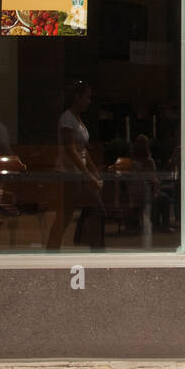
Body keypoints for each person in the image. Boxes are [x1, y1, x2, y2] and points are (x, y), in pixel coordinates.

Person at [49, 81, 104, 250]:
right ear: (77, 97)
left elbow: (83, 150)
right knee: (65, 216)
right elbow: (71, 150)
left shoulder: (77, 120)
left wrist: (94, 171)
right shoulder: (67, 119)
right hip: (68, 174)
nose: (89, 101)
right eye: (87, 97)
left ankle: (92, 246)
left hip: (78, 174)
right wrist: (88, 175)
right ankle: (52, 249)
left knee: (93, 209)